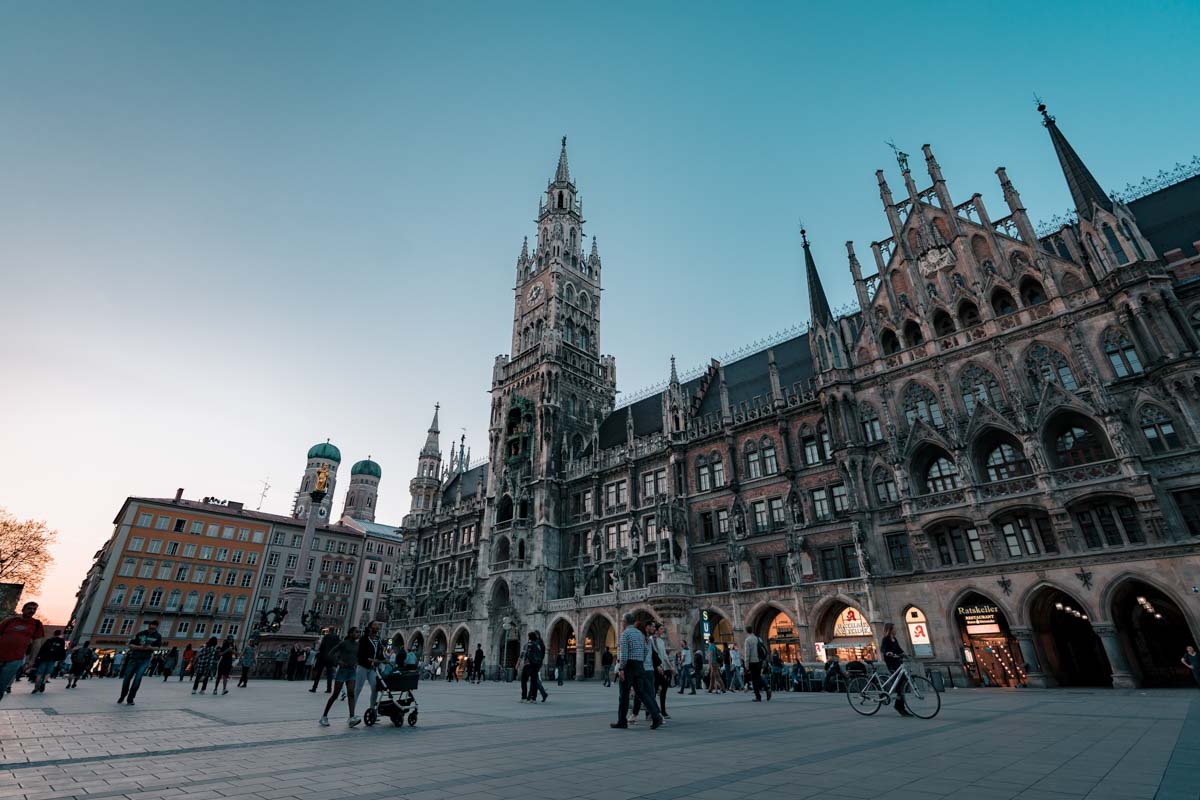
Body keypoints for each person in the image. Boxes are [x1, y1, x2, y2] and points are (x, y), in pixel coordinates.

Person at [611, 613, 662, 730]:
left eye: (622, 621)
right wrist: (640, 661)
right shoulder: (640, 634)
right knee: (642, 693)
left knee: (623, 694)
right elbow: (645, 650)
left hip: (629, 666)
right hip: (639, 665)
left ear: (625, 622)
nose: (622, 623)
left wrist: (622, 668)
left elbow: (624, 654)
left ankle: (622, 721)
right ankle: (656, 716)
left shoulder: (625, 634)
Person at [0, 602, 44, 701]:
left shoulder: (36, 624)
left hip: (15, 659)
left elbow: (37, 643)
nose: (31, 611)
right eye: (29, 608)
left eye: (34, 609)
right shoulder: (10, 621)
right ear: (23, 609)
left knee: (1, 686)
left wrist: (32, 660)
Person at [320, 627, 361, 727]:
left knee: (351, 693)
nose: (358, 634)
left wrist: (357, 662)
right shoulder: (344, 643)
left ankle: (351, 717)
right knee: (335, 695)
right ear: (350, 633)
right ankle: (324, 716)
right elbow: (331, 653)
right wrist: (338, 662)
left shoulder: (358, 645)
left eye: (359, 632)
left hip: (352, 671)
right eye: (356, 632)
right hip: (342, 671)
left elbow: (358, 656)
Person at [118, 620, 162, 705]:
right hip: (134, 658)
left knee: (138, 678)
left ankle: (130, 698)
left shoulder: (158, 636)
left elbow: (157, 647)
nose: (151, 630)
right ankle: (123, 695)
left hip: (145, 659)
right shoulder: (141, 633)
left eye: (153, 629)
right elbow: (130, 645)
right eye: (150, 628)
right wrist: (140, 647)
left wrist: (150, 647)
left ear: (156, 628)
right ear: (148, 626)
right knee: (127, 678)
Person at [353, 621, 385, 713]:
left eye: (378, 625)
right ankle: (352, 712)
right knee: (358, 689)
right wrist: (370, 659)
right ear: (370, 627)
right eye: (375, 625)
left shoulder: (378, 639)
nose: (377, 627)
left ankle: (372, 710)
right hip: (363, 666)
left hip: (372, 668)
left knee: (375, 688)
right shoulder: (364, 639)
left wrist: (384, 659)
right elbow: (360, 653)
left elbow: (379, 654)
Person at [881, 622, 909, 717]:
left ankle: (899, 704)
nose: (896, 630)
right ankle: (899, 706)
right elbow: (883, 649)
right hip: (891, 664)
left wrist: (905, 654)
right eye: (894, 628)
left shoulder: (894, 639)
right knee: (900, 684)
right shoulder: (886, 639)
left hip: (897, 662)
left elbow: (899, 649)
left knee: (904, 683)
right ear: (890, 629)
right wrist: (888, 653)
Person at [744, 629, 769, 701]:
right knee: (758, 677)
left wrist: (746, 664)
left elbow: (747, 653)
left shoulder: (748, 640)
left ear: (747, 632)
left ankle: (758, 696)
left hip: (752, 662)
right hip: (759, 661)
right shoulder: (758, 639)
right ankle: (767, 688)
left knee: (754, 679)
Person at [311, 628, 339, 693]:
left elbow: (322, 645)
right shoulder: (336, 637)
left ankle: (314, 687)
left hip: (323, 656)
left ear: (329, 631)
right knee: (330, 674)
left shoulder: (326, 636)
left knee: (319, 672)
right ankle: (329, 688)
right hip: (330, 657)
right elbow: (337, 647)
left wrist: (320, 651)